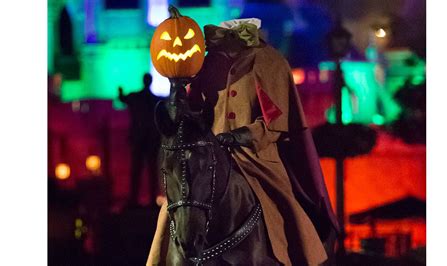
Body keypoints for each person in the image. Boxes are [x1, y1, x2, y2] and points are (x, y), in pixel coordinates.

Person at [147, 20, 338, 265]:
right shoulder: (207, 63)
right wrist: (178, 96)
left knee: (285, 206)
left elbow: (274, 123)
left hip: (255, 157)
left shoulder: (271, 61)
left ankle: (304, 254)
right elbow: (193, 114)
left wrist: (239, 136)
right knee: (179, 201)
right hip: (209, 153)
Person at [119, 73, 163, 208]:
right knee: (150, 170)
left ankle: (134, 199)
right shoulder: (155, 100)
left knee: (137, 170)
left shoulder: (135, 97)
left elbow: (123, 98)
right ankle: (149, 200)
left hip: (140, 139)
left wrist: (120, 92)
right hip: (150, 140)